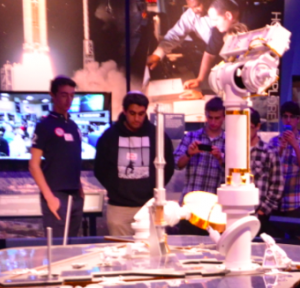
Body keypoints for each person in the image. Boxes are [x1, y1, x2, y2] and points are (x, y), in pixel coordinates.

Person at [93, 92, 175, 237]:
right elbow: (100, 168)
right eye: (132, 113)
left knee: (149, 254)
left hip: (149, 206)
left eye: (141, 113)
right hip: (119, 208)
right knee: (120, 254)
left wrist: (152, 189)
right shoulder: (110, 136)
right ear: (124, 111)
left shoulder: (157, 135)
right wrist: (116, 190)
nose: (137, 118)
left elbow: (168, 167)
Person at [29, 76, 85, 239]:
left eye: (72, 95)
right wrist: (49, 197)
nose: (69, 100)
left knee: (72, 248)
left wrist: (80, 188)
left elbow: (71, 159)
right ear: (52, 95)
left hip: (75, 194)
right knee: (57, 250)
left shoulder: (73, 126)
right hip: (56, 194)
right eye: (63, 95)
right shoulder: (44, 126)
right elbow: (33, 165)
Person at [270, 101, 300, 288]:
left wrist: (295, 146)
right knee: (275, 253)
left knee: (299, 254)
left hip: (297, 204)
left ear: (298, 119)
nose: (287, 121)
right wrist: (280, 148)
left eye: (291, 117)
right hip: (276, 203)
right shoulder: (273, 141)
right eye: (284, 117)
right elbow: (269, 170)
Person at [174, 97, 226, 234]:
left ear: (224, 117)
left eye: (217, 118)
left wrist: (221, 158)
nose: (213, 122)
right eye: (210, 117)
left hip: (215, 210)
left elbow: (235, 176)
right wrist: (189, 154)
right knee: (185, 249)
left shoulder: (230, 141)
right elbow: (177, 164)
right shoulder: (191, 137)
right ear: (206, 116)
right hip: (190, 207)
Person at [184, 0, 246, 90]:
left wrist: (204, 94)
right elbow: (210, 53)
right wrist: (200, 79)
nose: (213, 24)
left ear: (228, 16)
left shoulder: (254, 23)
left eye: (215, 20)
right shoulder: (218, 30)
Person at [146, 0, 213, 71]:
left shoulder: (222, 7)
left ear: (206, 0)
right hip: (214, 53)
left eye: (197, 6)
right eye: (191, 7)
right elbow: (175, 34)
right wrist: (157, 55)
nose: (194, 10)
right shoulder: (190, 15)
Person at [249, 109, 284, 235]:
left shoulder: (268, 151)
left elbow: (278, 184)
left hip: (259, 215)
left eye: (250, 127)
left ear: (258, 126)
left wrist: (263, 210)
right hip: (235, 213)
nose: (245, 131)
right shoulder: (233, 149)